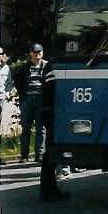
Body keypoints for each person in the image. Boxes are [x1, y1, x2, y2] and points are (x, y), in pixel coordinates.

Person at [40, 57, 69, 201]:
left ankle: (49, 189)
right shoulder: (54, 65)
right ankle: (48, 190)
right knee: (51, 152)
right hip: (53, 113)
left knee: (50, 151)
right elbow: (52, 90)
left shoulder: (51, 64)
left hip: (50, 112)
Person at [12, 43, 47, 163]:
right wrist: (23, 95)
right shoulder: (24, 67)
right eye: (35, 52)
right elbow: (17, 80)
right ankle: (24, 155)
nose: (37, 54)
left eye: (39, 52)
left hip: (42, 99)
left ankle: (39, 154)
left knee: (41, 128)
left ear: (42, 52)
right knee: (26, 128)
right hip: (28, 99)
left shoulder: (47, 66)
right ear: (31, 53)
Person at [0, 48, 14, 124]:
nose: (2, 56)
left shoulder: (7, 68)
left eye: (2, 54)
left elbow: (10, 83)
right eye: (0, 54)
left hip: (2, 98)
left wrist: (7, 95)